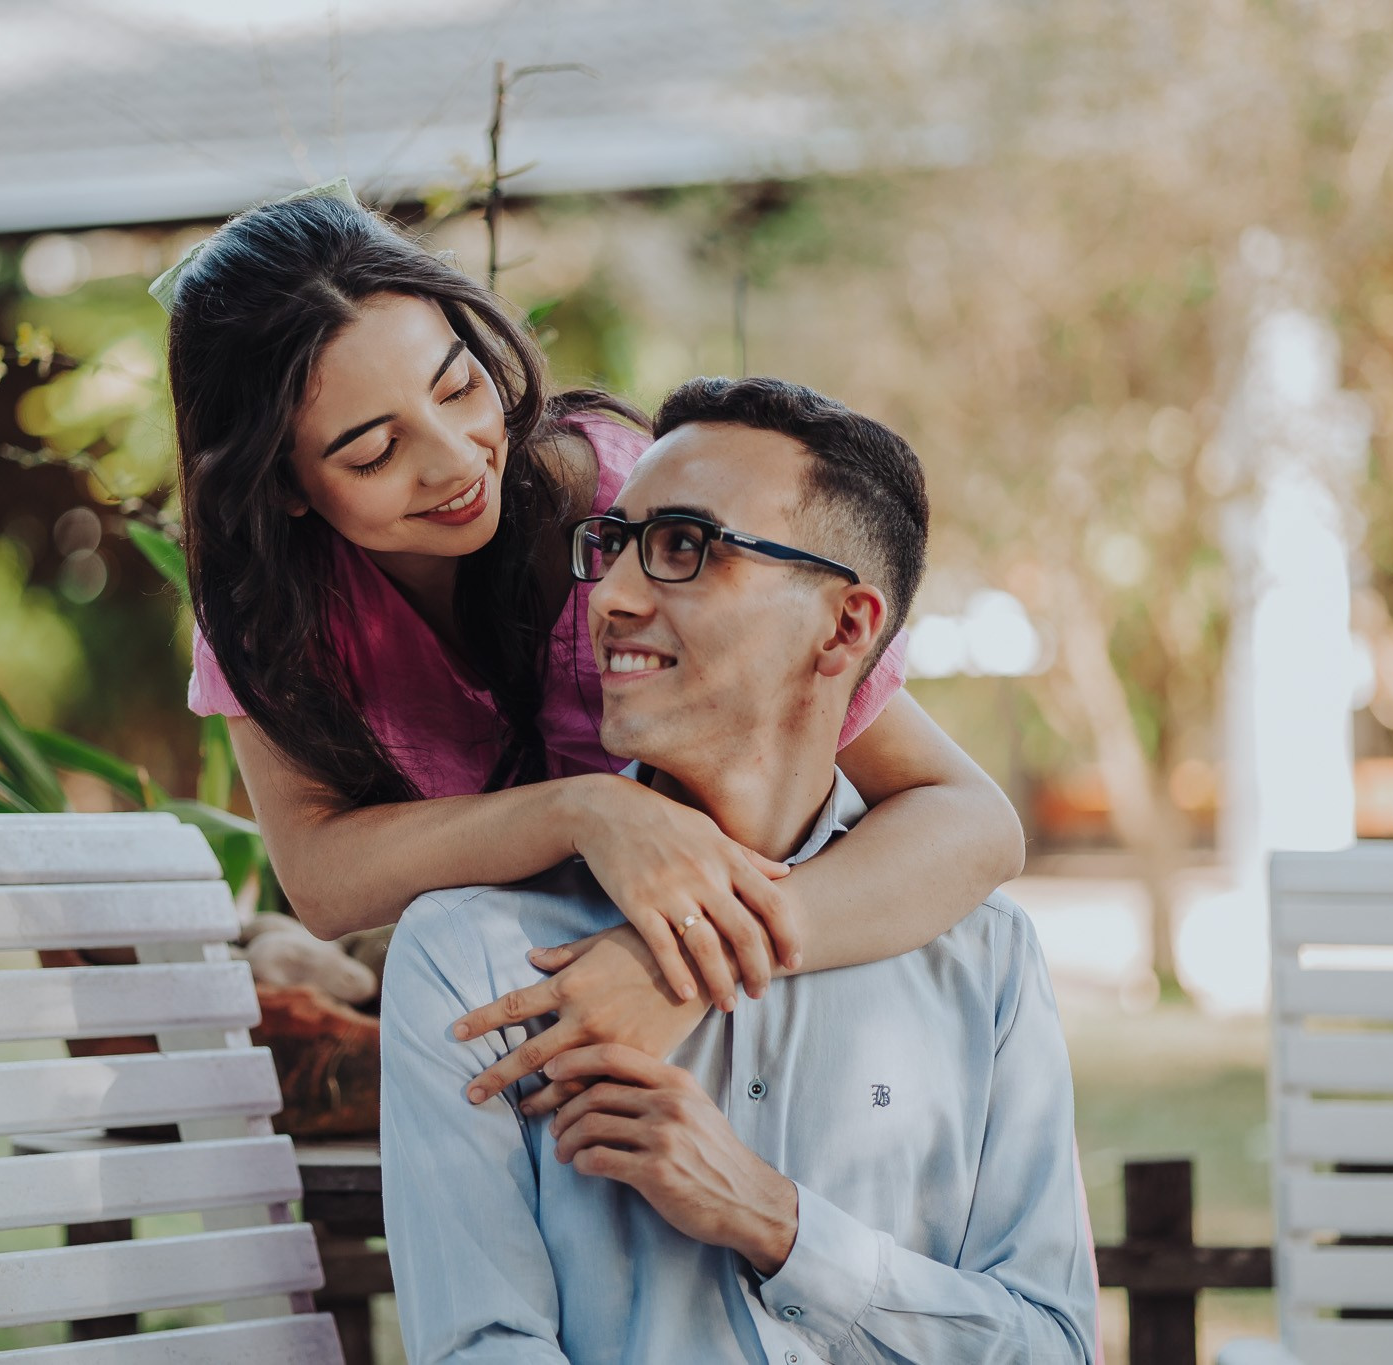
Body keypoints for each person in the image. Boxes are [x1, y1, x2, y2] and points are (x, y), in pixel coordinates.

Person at [160, 185, 1025, 1105]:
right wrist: (587, 812)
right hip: (520, 1017)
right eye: (373, 452)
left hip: (793, 1004)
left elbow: (970, 819)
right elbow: (325, 880)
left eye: (458, 386)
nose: (456, 460)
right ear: (281, 485)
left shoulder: (625, 505)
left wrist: (695, 962)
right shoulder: (271, 617)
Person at [379, 377, 1097, 1363]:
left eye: (684, 549)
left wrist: (779, 1225)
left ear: (844, 629)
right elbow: (478, 1349)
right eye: (616, 544)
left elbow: (1051, 1347)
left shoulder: (985, 958)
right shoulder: (474, 961)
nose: (612, 598)